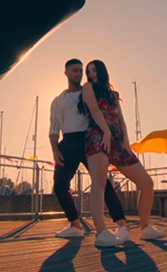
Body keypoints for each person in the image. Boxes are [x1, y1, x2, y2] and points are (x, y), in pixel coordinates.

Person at [81, 60, 165, 245]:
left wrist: (126, 143)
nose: (91, 74)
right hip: (98, 137)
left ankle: (145, 228)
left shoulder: (113, 94)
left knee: (147, 183)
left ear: (102, 70)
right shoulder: (87, 88)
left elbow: (121, 119)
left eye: (94, 70)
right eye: (89, 71)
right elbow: (94, 111)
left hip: (118, 142)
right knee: (100, 184)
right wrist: (106, 132)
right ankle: (101, 233)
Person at [49, 59, 130, 246]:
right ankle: (75, 225)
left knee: (101, 182)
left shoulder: (89, 91)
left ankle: (121, 224)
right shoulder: (57, 101)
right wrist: (55, 150)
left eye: (80, 70)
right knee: (60, 186)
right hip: (68, 142)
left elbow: (101, 112)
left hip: (89, 138)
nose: (78, 73)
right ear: (66, 73)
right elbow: (53, 128)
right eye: (74, 70)